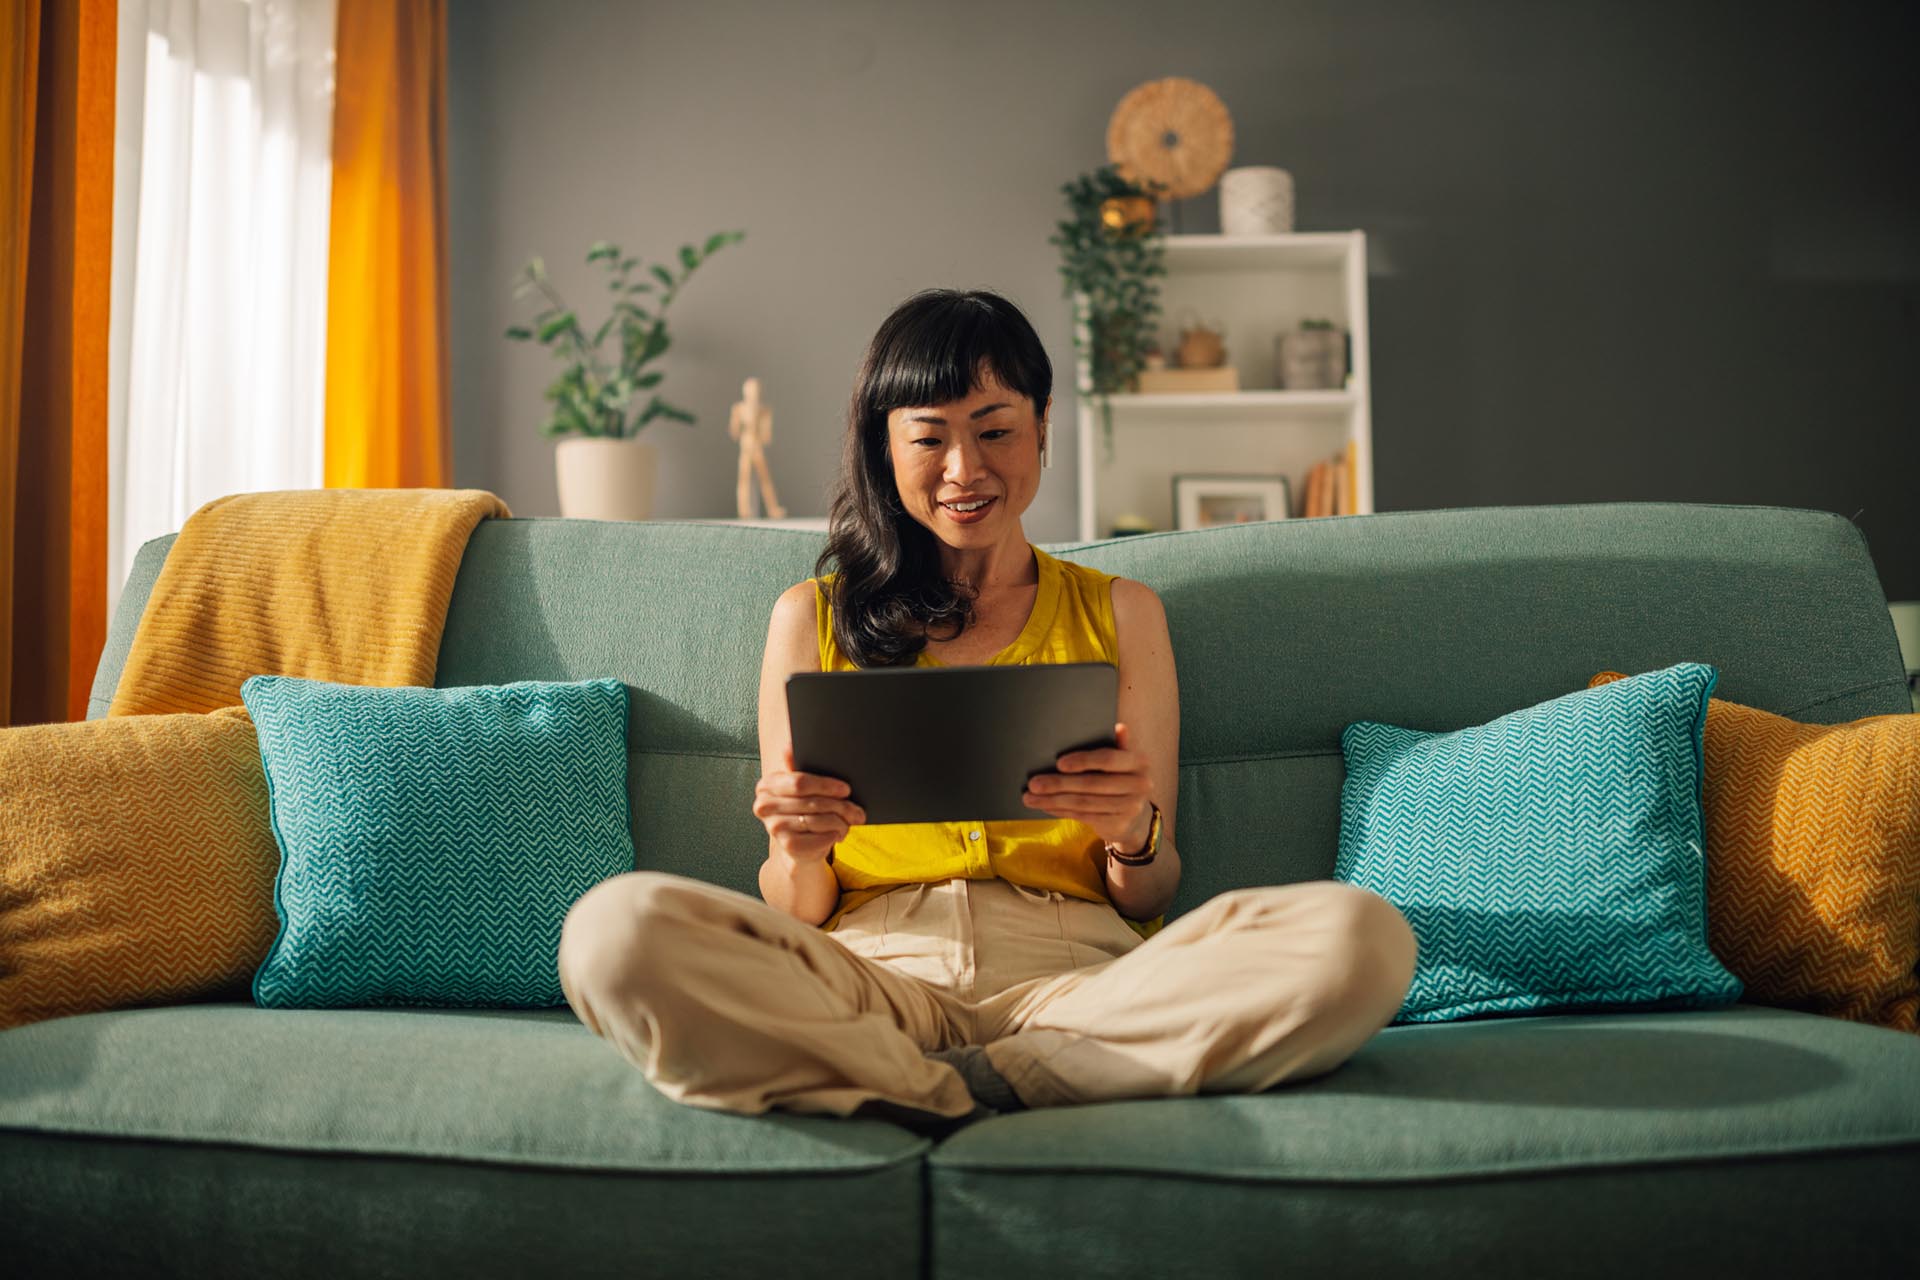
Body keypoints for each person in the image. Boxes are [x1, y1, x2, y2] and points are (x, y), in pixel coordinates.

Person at [557, 288, 1418, 1133]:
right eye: (928, 438)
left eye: (995, 431)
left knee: (1362, 939)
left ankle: (945, 1083)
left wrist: (1133, 831)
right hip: (868, 984)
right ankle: (996, 1080)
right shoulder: (810, 619)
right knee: (611, 934)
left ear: (1043, 426)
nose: (964, 470)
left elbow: (1151, 892)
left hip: (1083, 988)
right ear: (885, 448)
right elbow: (797, 908)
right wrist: (797, 848)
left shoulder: (1123, 614)